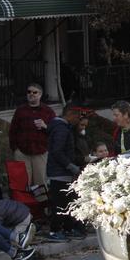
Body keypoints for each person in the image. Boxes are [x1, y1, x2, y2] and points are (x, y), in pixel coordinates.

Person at [46, 103, 86, 240]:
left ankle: (67, 228)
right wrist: (71, 166)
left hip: (60, 172)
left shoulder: (61, 128)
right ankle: (55, 230)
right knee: (60, 204)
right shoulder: (61, 129)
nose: (78, 120)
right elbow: (57, 151)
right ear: (70, 114)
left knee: (66, 202)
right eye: (77, 116)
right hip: (60, 173)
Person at [8, 83, 56, 187]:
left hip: (40, 152)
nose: (31, 94)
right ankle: (24, 203)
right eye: (29, 92)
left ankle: (42, 203)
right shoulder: (20, 110)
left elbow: (55, 131)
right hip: (22, 152)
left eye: (35, 92)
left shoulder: (48, 111)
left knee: (40, 183)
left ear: (40, 94)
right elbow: (13, 131)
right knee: (23, 182)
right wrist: (15, 149)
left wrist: (45, 126)